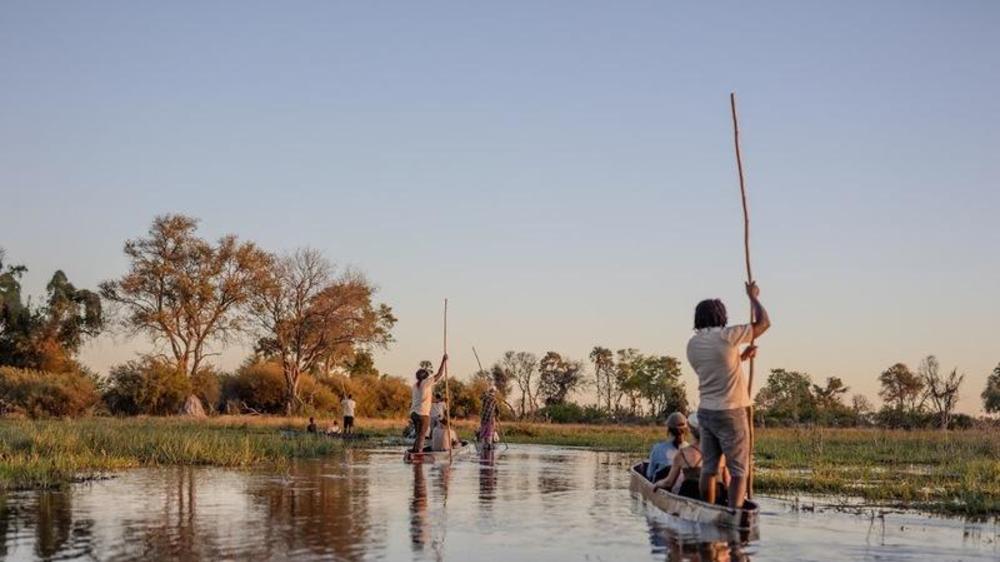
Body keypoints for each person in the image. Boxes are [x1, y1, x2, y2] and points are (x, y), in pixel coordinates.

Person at [687, 281, 770, 509]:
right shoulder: (727, 336)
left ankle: (709, 509)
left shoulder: (692, 344)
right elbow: (764, 324)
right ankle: (734, 515)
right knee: (738, 470)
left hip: (706, 412)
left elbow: (716, 369)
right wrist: (753, 297)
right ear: (720, 317)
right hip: (731, 412)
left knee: (710, 468)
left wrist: (741, 358)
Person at [653, 413, 730, 500]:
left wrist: (657, 484)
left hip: (691, 497)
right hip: (717, 498)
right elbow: (727, 483)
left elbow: (669, 483)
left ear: (689, 430)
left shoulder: (682, 454)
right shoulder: (720, 453)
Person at [410, 354, 449, 453]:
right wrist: (443, 361)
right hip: (423, 414)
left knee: (419, 434)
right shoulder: (426, 383)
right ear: (425, 377)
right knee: (422, 435)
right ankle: (418, 453)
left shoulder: (415, 386)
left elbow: (428, 400)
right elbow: (439, 375)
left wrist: (441, 400)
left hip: (414, 413)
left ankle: (414, 451)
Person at [646, 412, 688, 481]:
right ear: (686, 431)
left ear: (669, 430)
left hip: (662, 485)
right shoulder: (690, 449)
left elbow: (649, 474)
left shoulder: (658, 448)